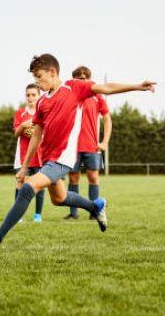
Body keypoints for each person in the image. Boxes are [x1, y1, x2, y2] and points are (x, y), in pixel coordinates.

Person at [0, 53, 156, 252]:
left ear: (52, 72)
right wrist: (25, 167)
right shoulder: (41, 102)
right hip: (48, 160)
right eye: (34, 79)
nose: (37, 82)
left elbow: (105, 88)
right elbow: (36, 137)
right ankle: (95, 207)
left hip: (63, 159)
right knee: (59, 199)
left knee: (29, 188)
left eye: (39, 77)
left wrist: (137, 86)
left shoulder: (74, 88)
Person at [64, 66, 112, 220]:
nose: (83, 80)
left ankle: (94, 212)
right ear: (74, 80)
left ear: (90, 79)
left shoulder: (97, 96)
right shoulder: (69, 95)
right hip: (72, 147)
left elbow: (107, 119)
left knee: (93, 177)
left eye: (85, 77)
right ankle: (73, 214)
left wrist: (104, 142)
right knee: (73, 178)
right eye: (79, 78)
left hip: (92, 145)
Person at [13, 83, 45, 222]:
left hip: (40, 155)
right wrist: (23, 126)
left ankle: (37, 215)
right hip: (23, 156)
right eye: (28, 95)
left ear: (39, 96)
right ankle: (18, 215)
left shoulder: (44, 113)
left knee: (40, 184)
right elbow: (16, 133)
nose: (30, 98)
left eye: (33, 95)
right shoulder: (20, 113)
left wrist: (38, 134)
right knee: (20, 182)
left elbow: (48, 133)